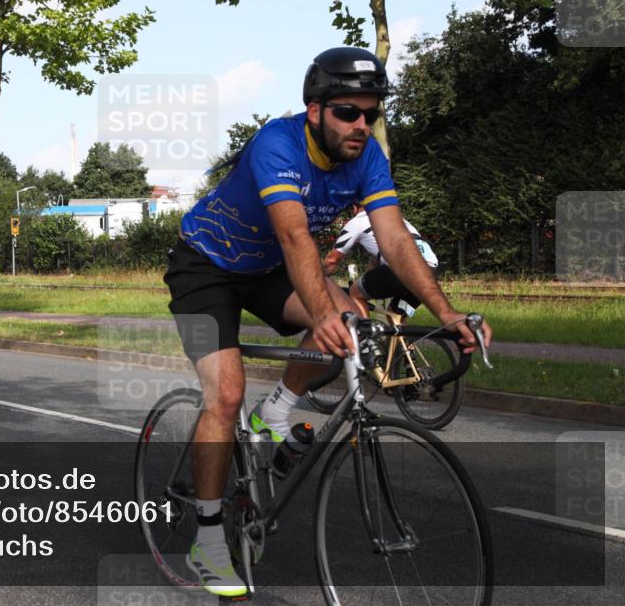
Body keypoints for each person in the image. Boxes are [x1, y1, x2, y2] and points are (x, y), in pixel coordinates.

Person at [163, 47, 491, 597]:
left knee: (353, 319)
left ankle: (278, 410)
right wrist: (321, 311)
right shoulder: (277, 144)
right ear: (314, 110)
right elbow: (295, 237)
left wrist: (447, 311)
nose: (361, 124)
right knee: (224, 395)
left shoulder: (368, 157)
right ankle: (208, 537)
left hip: (267, 270)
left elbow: (394, 240)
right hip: (202, 269)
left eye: (372, 113)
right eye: (347, 112)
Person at [324, 204, 439, 317]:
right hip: (430, 271)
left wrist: (317, 279)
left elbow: (331, 260)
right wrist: (364, 282)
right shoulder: (395, 218)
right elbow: (375, 262)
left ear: (355, 208)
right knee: (394, 316)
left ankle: (365, 334)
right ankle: (398, 333)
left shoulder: (357, 221)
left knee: (355, 292)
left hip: (401, 269)